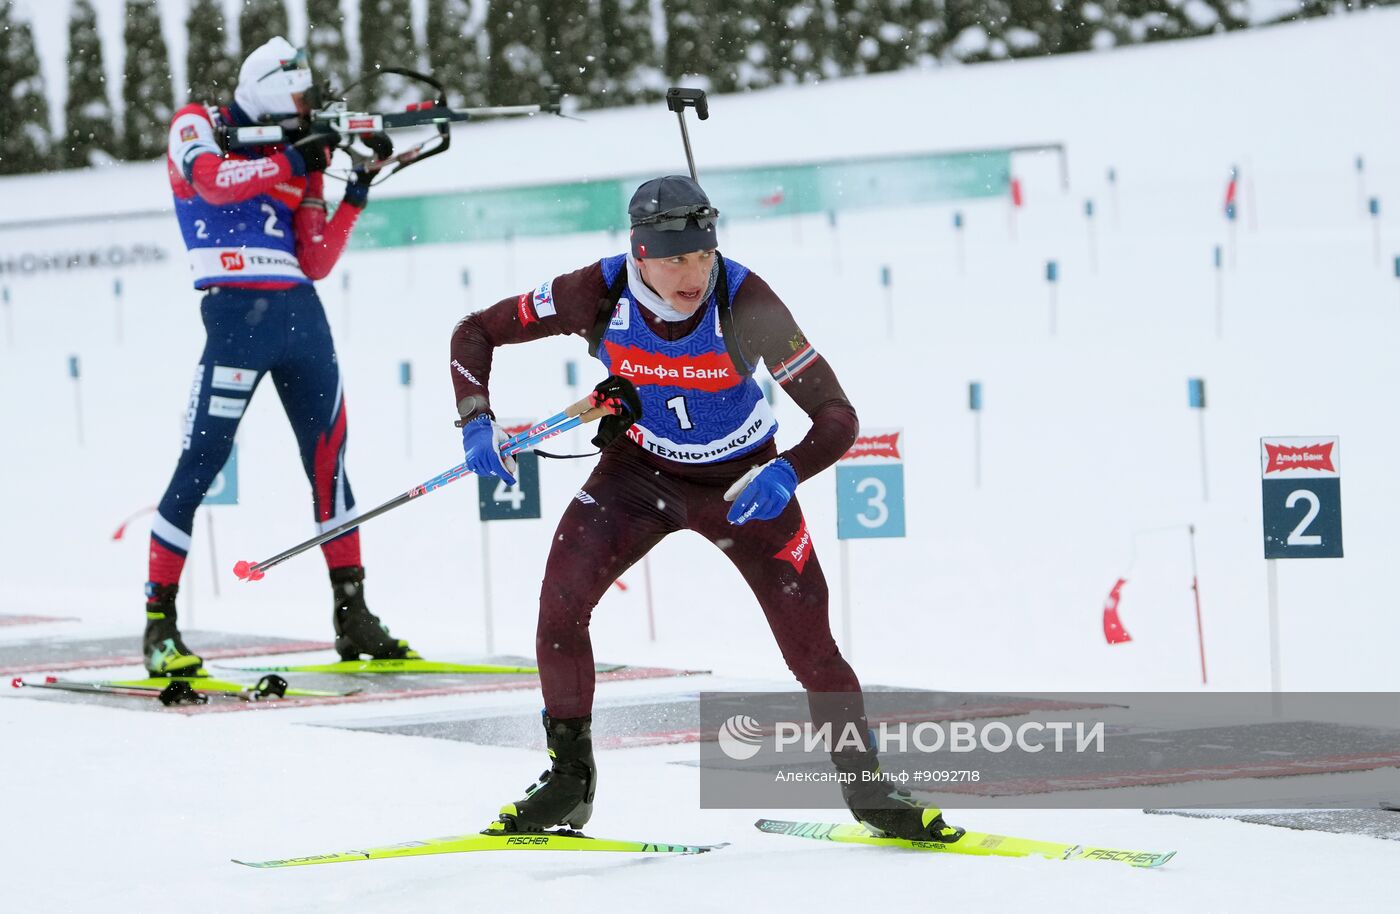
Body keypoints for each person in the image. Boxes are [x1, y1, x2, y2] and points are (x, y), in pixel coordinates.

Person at [448, 175, 962, 841]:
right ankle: (568, 782)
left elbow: (837, 416)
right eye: (673, 259)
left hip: (744, 486)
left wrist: (788, 469)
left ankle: (870, 792)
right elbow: (474, 332)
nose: (692, 273)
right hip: (636, 474)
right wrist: (474, 418)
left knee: (812, 648)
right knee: (559, 607)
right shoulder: (595, 291)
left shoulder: (744, 299)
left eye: (701, 255)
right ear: (639, 254)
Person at [144, 36, 417, 675]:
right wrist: (291, 156)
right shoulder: (200, 125)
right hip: (237, 318)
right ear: (268, 86)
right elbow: (211, 184)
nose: (304, 105)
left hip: (302, 320)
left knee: (330, 466)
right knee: (201, 461)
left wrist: (356, 189)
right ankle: (159, 622)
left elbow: (315, 257)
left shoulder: (305, 155)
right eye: (295, 93)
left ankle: (353, 615)